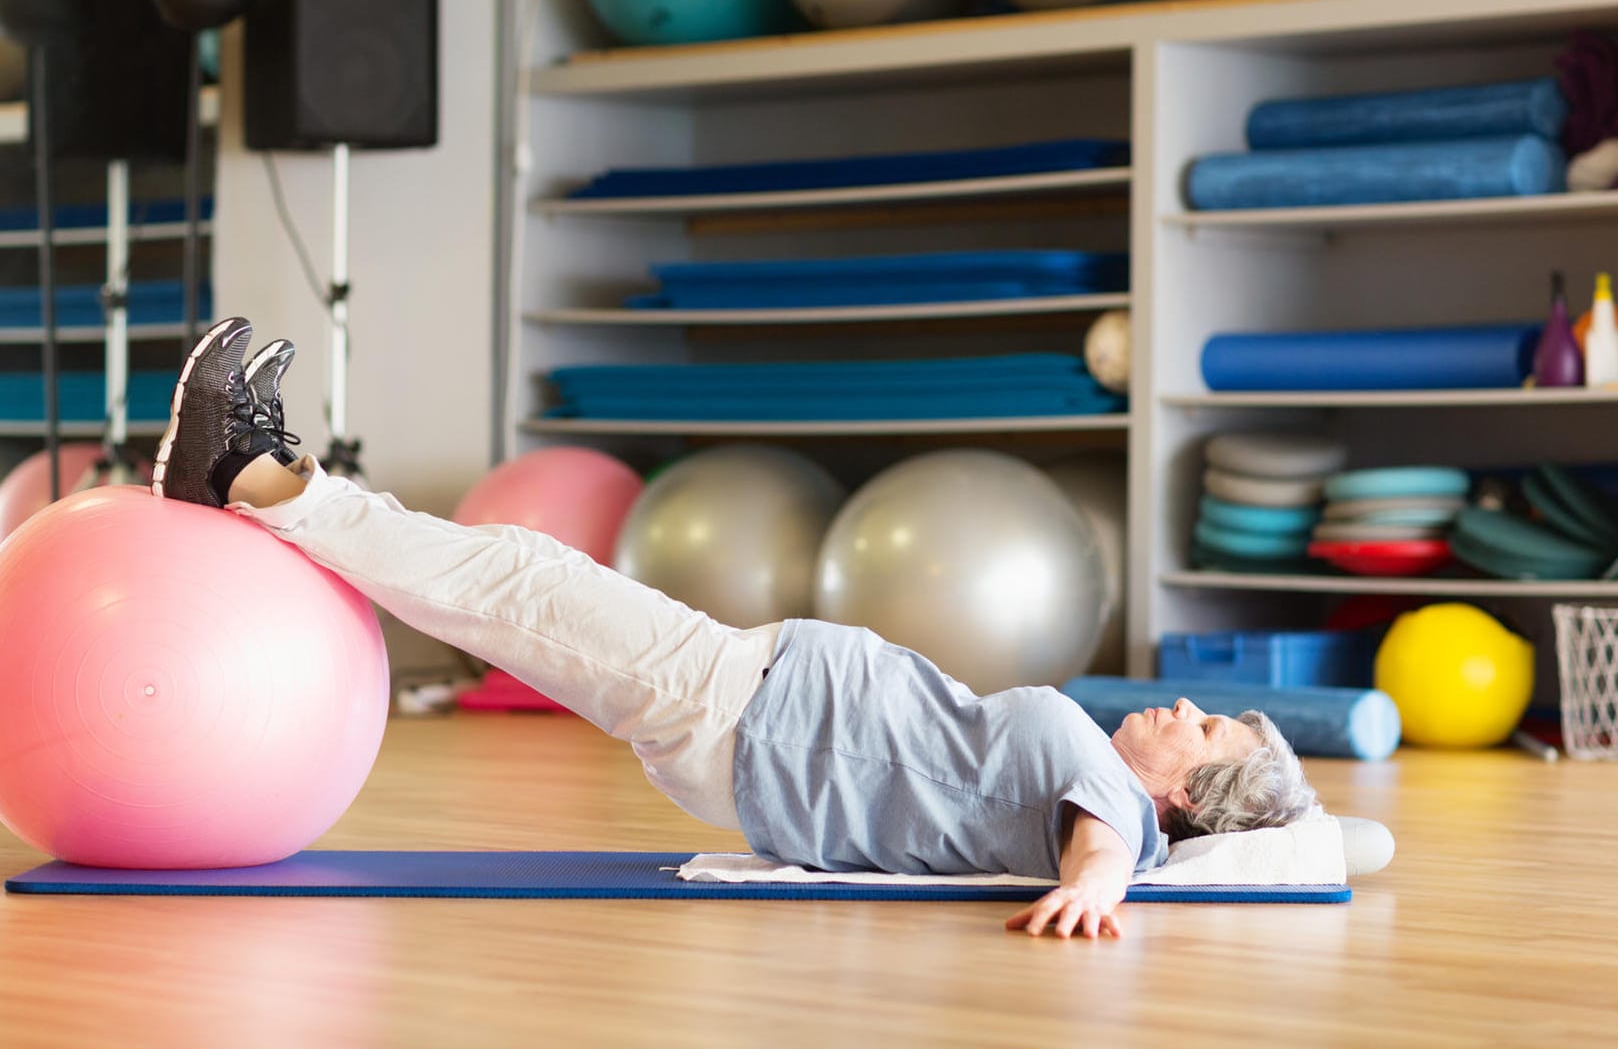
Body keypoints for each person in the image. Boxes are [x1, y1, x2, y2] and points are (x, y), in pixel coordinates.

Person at [151, 317, 1319, 941]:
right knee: (516, 578)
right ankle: (268, 471)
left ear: (1182, 799)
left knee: (505, 580)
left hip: (752, 716)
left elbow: (1102, 851)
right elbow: (1320, 843)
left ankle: (250, 468)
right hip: (760, 708)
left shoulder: (1112, 806)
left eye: (1203, 728)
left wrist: (1098, 892)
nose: (1179, 706)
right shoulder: (1111, 776)